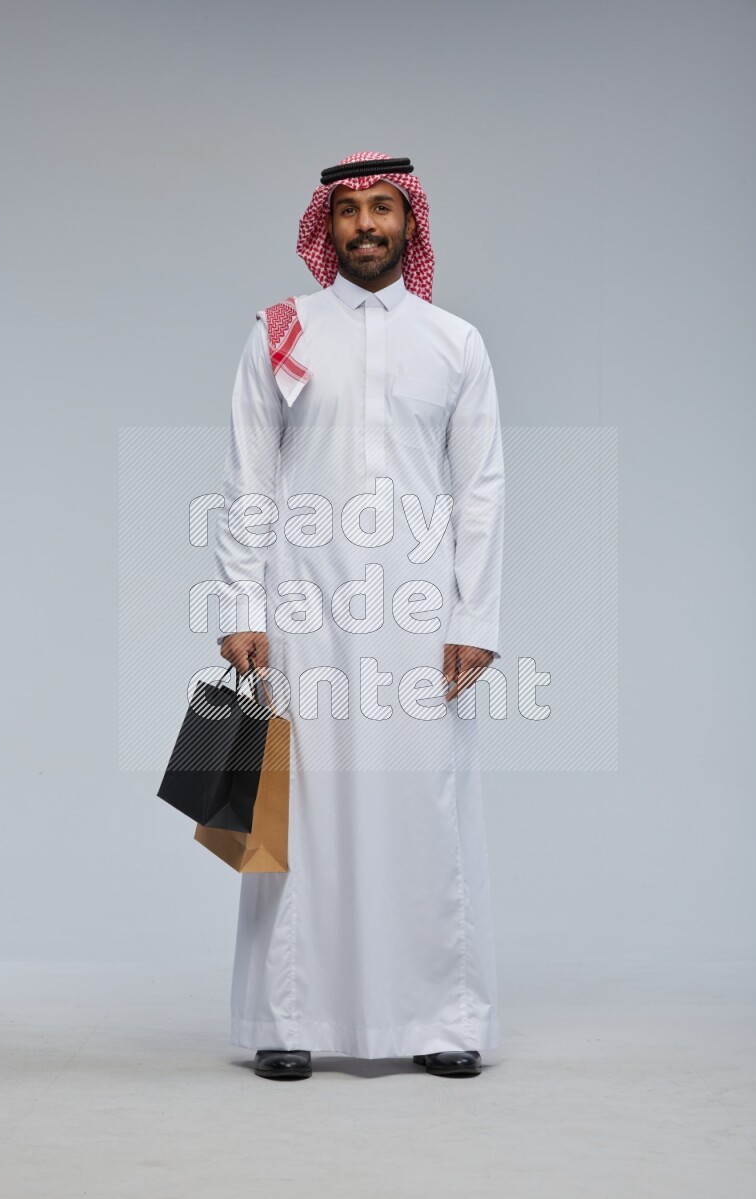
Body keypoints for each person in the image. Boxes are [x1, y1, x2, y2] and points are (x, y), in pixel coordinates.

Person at [214, 151, 505, 1080]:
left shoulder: (456, 342)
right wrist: (239, 604)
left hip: (422, 623)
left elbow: (482, 491)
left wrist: (476, 617)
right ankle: (285, 1021)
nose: (367, 225)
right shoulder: (283, 332)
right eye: (350, 212)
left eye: (385, 209)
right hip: (302, 606)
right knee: (293, 810)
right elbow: (248, 478)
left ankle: (441, 1020)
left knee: (425, 806)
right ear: (326, 226)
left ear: (411, 224)